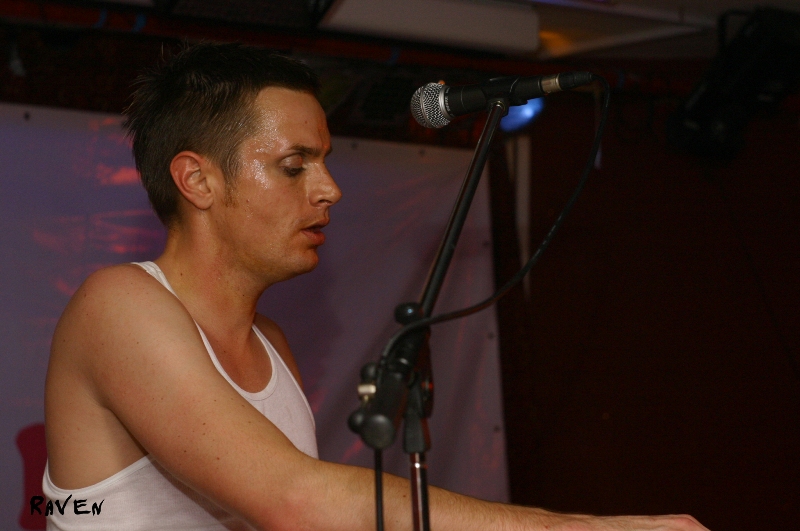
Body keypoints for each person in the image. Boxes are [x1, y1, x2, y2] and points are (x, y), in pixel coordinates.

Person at [43, 42, 709, 531]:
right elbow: (295, 500)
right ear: (197, 180)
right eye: (295, 165)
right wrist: (577, 528)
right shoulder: (118, 304)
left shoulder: (269, 344)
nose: (330, 189)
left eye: (325, 162)